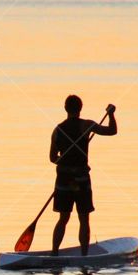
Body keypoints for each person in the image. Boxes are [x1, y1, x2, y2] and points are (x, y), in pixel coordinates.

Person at [49, 95, 117, 256]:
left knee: (63, 218)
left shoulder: (57, 130)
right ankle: (84, 255)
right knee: (84, 219)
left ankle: (54, 253)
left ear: (65, 108)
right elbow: (112, 131)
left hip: (63, 180)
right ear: (80, 108)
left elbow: (52, 158)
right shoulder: (86, 125)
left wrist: (65, 161)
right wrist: (111, 114)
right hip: (81, 180)